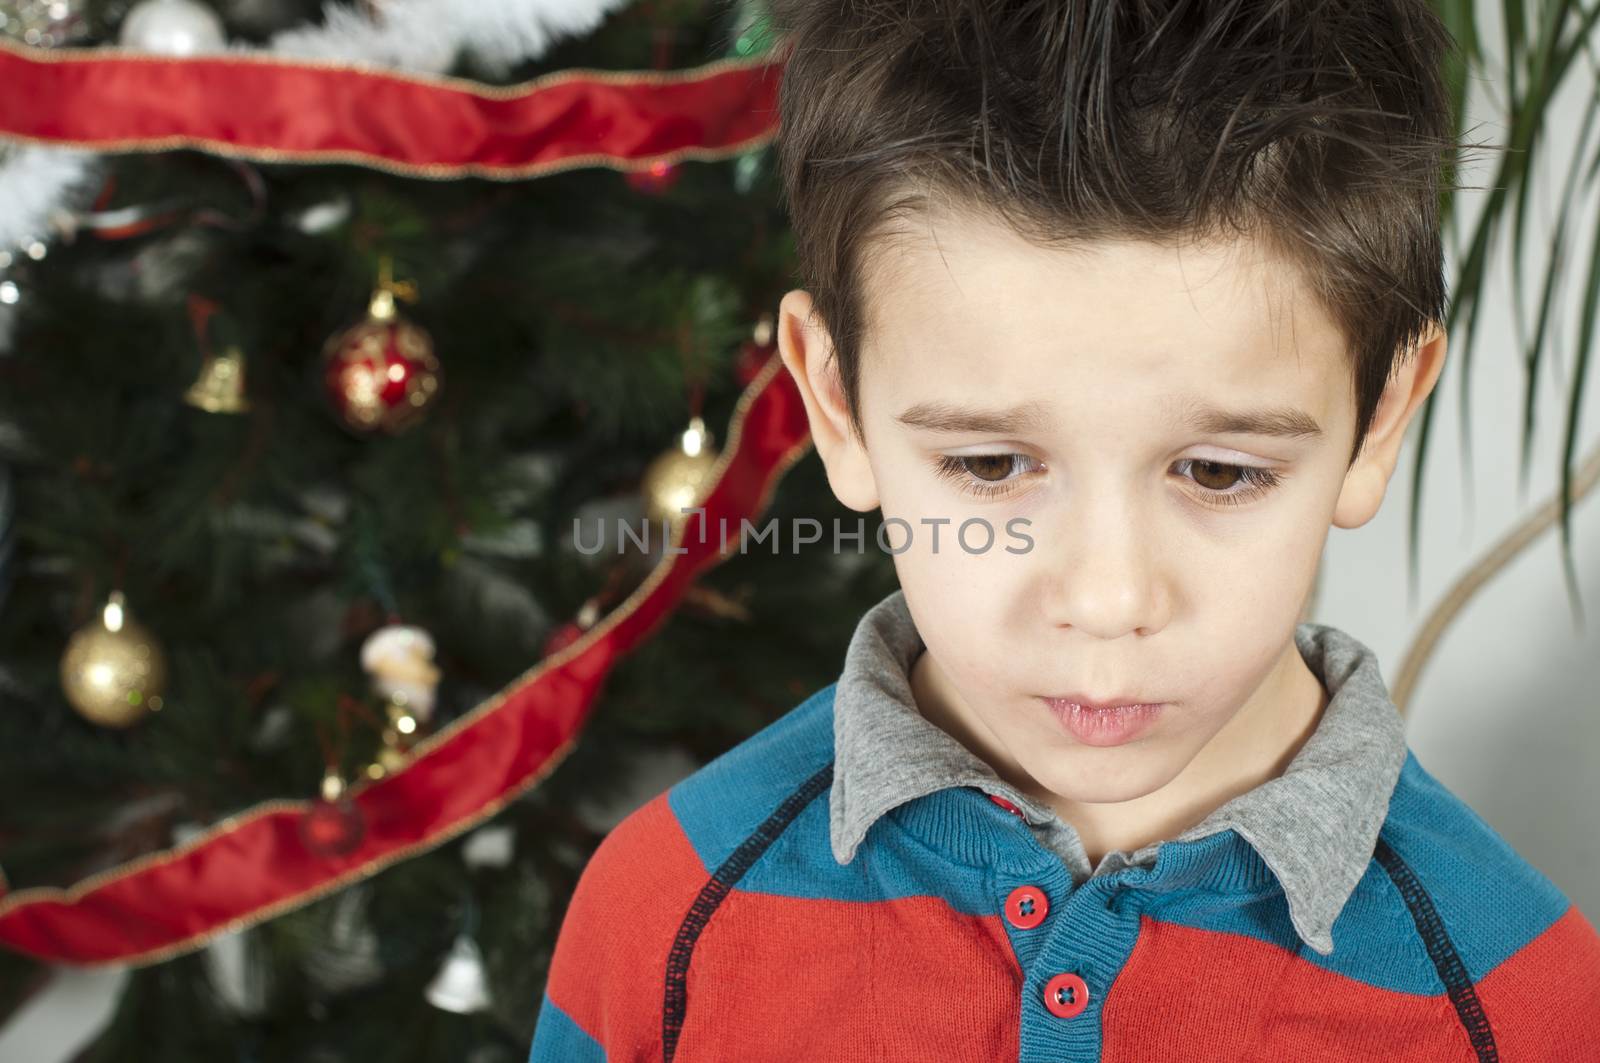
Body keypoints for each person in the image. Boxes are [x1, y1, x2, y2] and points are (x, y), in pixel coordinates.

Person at [529, 1, 1600, 1059]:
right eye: (991, 465)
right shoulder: (663, 922)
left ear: (1380, 420)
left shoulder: (1524, 1002)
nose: (1105, 598)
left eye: (1219, 470)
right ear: (836, 405)